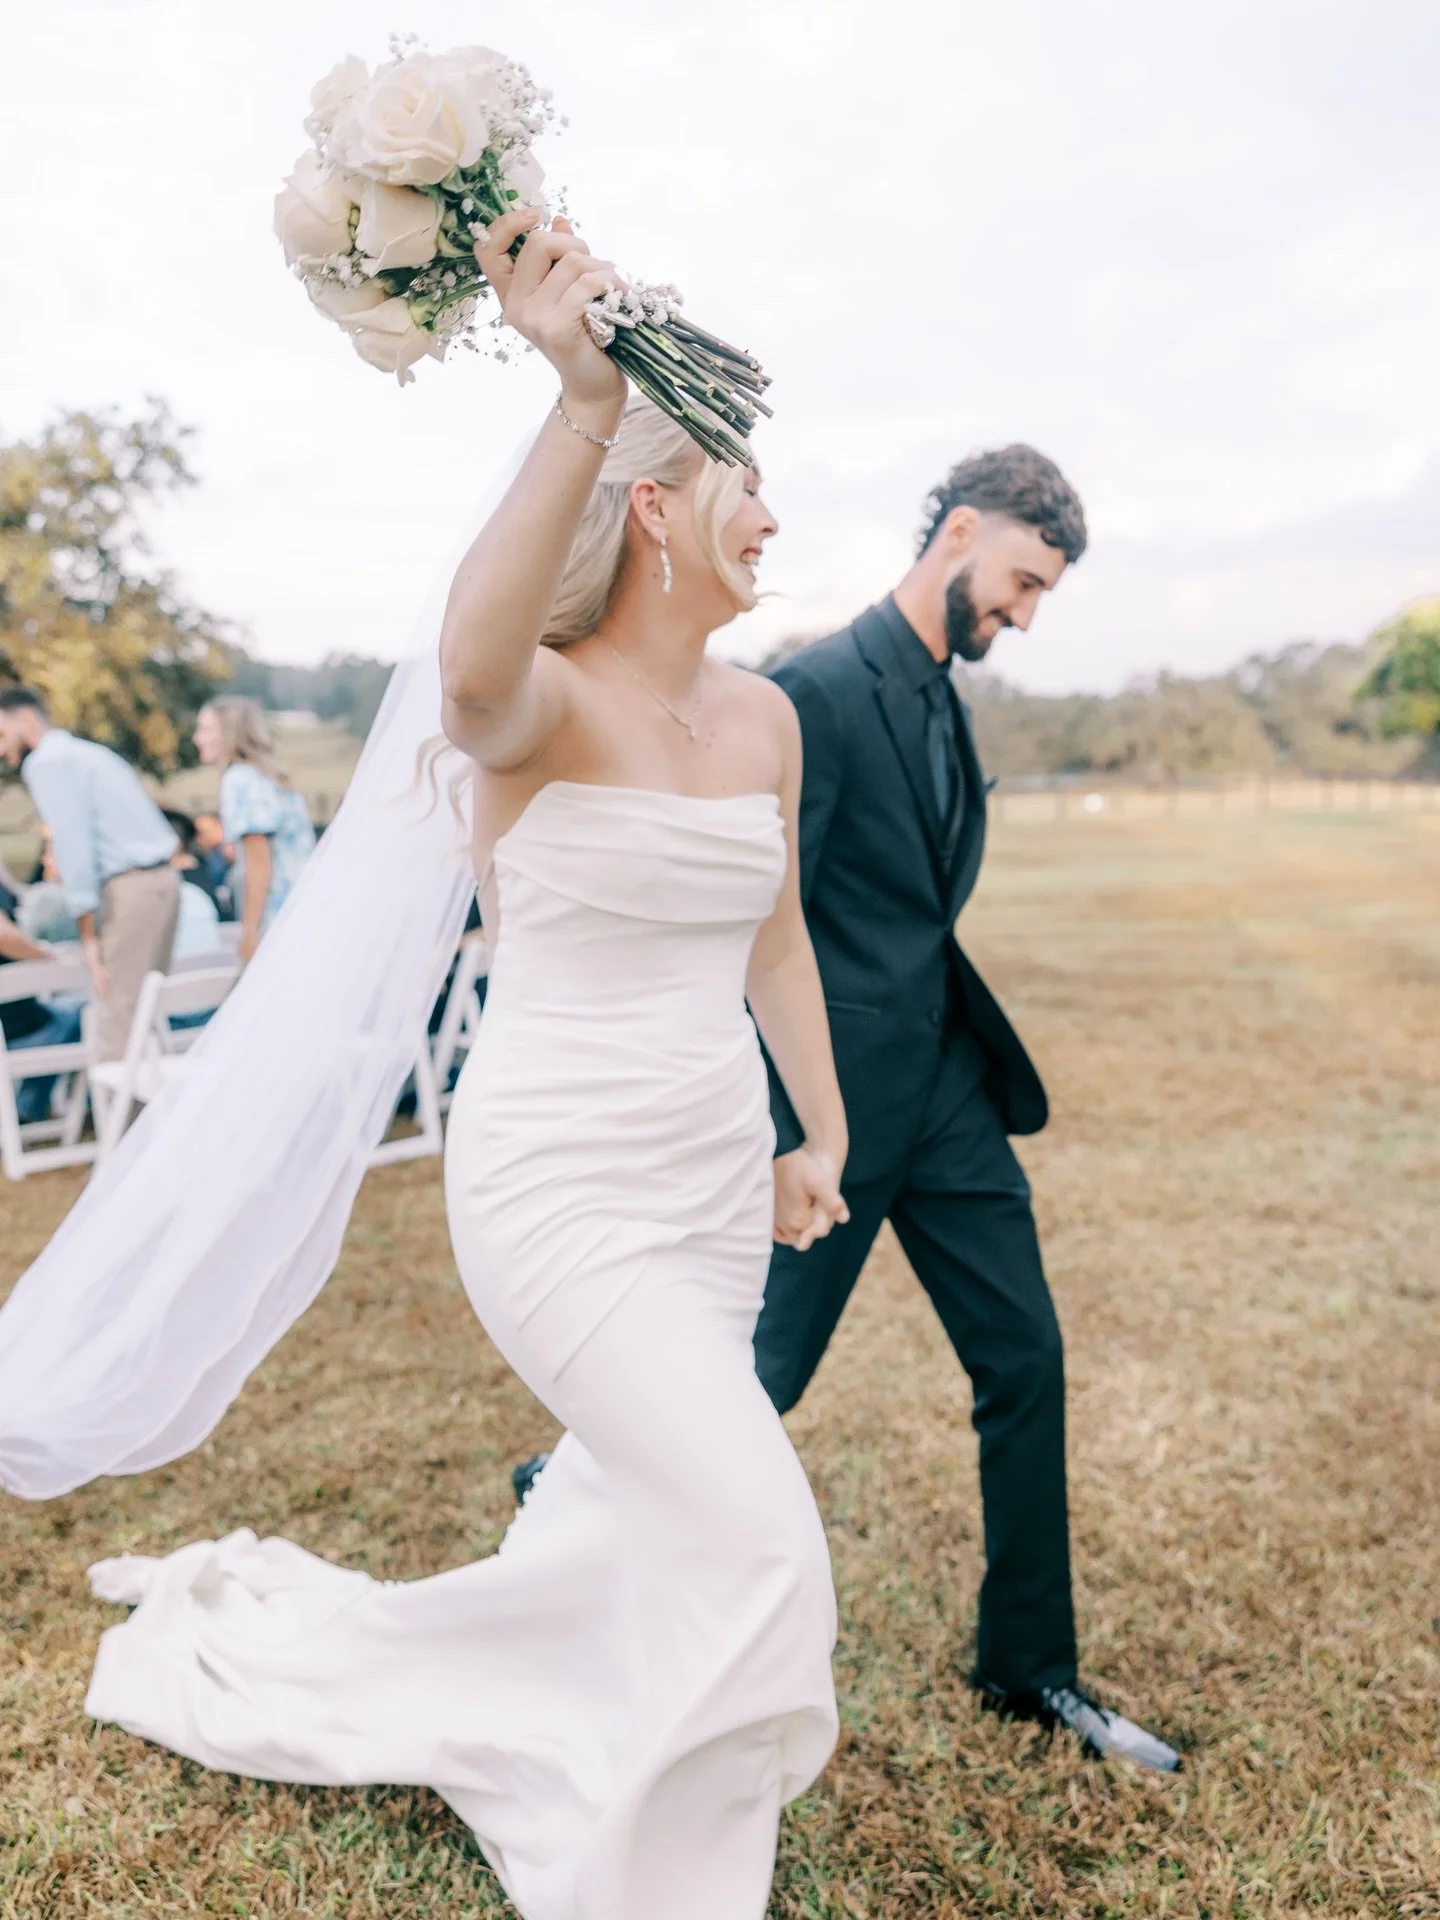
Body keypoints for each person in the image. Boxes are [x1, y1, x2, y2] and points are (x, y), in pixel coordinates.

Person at [66, 208, 851, 1920]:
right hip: (560, 1184)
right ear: (660, 507)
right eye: (751, 483)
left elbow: (776, 939)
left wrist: (823, 1135)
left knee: (644, 1522)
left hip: (712, 1175)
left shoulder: (771, 720)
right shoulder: (538, 712)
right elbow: (472, 655)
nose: (779, 515)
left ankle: (577, 1720)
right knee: (763, 1544)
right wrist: (576, 399)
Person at [749, 449, 1180, 1772]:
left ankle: (1028, 1669)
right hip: (828, 1117)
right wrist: (782, 1135)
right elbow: (755, 935)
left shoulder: (945, 697)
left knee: (1026, 1359)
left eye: (1042, 595)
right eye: (1022, 583)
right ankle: (570, 1525)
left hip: (949, 1099)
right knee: (748, 1387)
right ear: (959, 531)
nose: (1026, 615)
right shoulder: (811, 692)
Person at [0, 687, 179, 1062]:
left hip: (130, 890)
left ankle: (127, 1122)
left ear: (27, 720)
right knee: (145, 1015)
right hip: (163, 881)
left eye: (0, 735)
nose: (0, 750)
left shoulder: (46, 762)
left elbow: (73, 848)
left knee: (115, 1025)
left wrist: (89, 939)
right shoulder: (89, 753)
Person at [192, 699, 315, 960]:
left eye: (205, 729)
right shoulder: (272, 776)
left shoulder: (239, 780)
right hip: (306, 904)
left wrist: (249, 933)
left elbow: (259, 864)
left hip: (278, 912)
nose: (197, 738)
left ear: (229, 734)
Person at [0, 878, 84, 1125]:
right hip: (18, 1033)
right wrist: (45, 955)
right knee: (83, 1012)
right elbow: (4, 936)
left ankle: (27, 1107)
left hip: (13, 1029)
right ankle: (28, 1107)